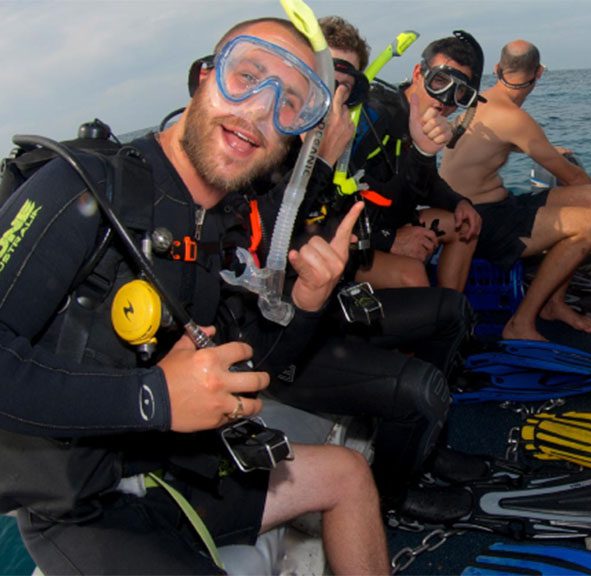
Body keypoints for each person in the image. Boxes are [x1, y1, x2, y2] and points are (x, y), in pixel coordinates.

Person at [0, 17, 389, 574]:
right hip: (84, 508)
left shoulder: (223, 224)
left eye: (289, 104)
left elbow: (255, 369)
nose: (258, 108)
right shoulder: (79, 188)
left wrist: (306, 302)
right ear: (204, 78)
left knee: (348, 474)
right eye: (247, 74)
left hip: (177, 468)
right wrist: (154, 396)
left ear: (294, 136)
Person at [257, 15, 472, 507]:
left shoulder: (346, 140)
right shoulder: (266, 150)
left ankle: (426, 447)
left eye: (345, 86)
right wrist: (327, 160)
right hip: (285, 342)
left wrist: (419, 152)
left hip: (331, 307)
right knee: (417, 388)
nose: (331, 100)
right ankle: (391, 498)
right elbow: (287, 235)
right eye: (321, 80)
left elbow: (361, 214)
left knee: (451, 314)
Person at [440, 40, 591, 341]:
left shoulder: (480, 100)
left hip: (475, 206)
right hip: (481, 222)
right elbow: (571, 175)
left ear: (497, 70)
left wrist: (547, 151)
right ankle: (521, 322)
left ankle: (554, 304)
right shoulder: (515, 118)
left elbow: (489, 145)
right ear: (539, 73)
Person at [346, 33, 483, 291]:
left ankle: (450, 307)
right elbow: (327, 203)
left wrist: (459, 202)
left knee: (465, 227)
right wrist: (389, 241)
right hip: (352, 237)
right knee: (413, 274)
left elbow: (426, 180)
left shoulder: (422, 122)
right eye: (439, 81)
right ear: (418, 72)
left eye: (459, 93)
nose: (444, 100)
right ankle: (428, 317)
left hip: (392, 221)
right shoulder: (376, 115)